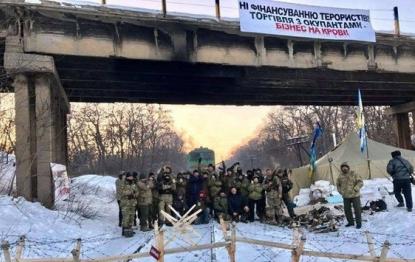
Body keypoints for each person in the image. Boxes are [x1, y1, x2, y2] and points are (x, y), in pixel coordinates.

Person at [336, 162, 363, 229]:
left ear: (348, 167)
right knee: (347, 210)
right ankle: (350, 222)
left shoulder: (354, 174)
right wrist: (340, 191)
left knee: (357, 210)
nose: (344, 169)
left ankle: (358, 223)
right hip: (346, 196)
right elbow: (338, 185)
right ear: (341, 168)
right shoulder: (340, 176)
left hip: (355, 195)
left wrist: (356, 189)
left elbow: (360, 182)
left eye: (345, 167)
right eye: (343, 167)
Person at [120, 172, 139, 237]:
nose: (131, 178)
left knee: (132, 217)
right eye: (129, 177)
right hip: (126, 203)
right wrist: (130, 193)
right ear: (127, 177)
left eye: (131, 177)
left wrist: (134, 195)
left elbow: (137, 192)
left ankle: (129, 230)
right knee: (126, 217)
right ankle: (125, 231)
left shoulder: (134, 184)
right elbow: (122, 192)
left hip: (132, 203)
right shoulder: (123, 183)